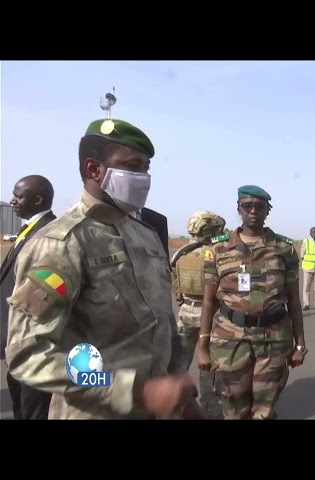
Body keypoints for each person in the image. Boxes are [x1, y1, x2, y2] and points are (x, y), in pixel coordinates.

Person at [4, 117, 201, 420]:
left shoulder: (145, 235)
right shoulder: (62, 243)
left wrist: (180, 391)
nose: (143, 177)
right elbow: (29, 354)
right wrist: (131, 391)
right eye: (132, 167)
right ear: (93, 169)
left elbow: (162, 323)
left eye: (146, 168)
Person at [196, 185, 307, 420]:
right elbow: (208, 301)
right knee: (233, 407)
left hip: (274, 339)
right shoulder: (217, 248)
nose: (253, 210)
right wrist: (203, 346)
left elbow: (294, 301)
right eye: (248, 206)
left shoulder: (284, 249)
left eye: (260, 206)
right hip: (229, 338)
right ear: (239, 209)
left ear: (268, 210)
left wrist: (300, 345)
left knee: (264, 409)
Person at [1, 174, 56, 419]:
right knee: (21, 407)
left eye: (18, 195)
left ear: (38, 199)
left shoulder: (48, 233)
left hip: (32, 346)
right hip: (16, 342)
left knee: (33, 409)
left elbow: (45, 294)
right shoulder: (30, 230)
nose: (12, 201)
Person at [171, 211, 226, 419]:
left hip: (186, 311)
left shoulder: (181, 254)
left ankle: (178, 405)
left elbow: (175, 286)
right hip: (210, 313)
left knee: (179, 363)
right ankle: (209, 409)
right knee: (208, 367)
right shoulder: (214, 254)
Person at [300, 227, 315, 310]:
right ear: (310, 234)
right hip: (308, 268)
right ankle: (306, 304)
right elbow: (302, 255)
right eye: (312, 232)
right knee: (307, 287)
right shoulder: (306, 241)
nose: (314, 233)